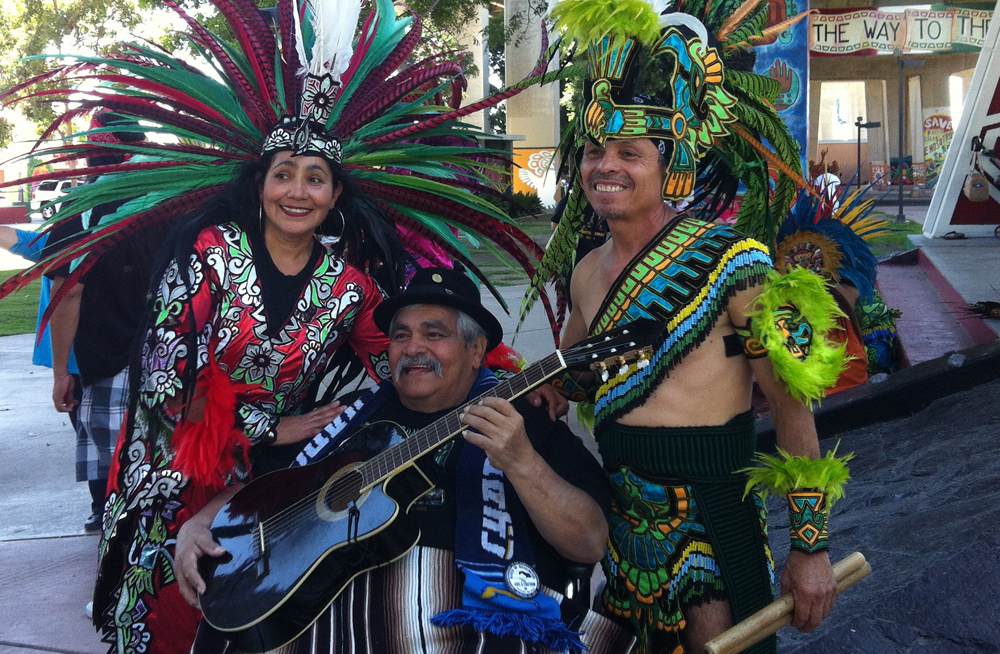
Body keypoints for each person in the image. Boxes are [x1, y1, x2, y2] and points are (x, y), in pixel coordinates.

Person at [545, 3, 853, 653]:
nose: (606, 166)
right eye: (596, 150)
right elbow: (571, 379)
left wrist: (811, 549)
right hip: (622, 532)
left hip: (712, 532)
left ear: (670, 162)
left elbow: (795, 408)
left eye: (629, 153)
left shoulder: (736, 266)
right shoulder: (585, 272)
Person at [176, 267, 635, 654]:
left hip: (471, 617)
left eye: (434, 334)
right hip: (332, 613)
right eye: (401, 336)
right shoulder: (350, 418)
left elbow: (589, 543)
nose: (413, 348)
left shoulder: (525, 420)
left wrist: (521, 461)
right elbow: (265, 493)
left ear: (477, 351)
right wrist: (197, 524)